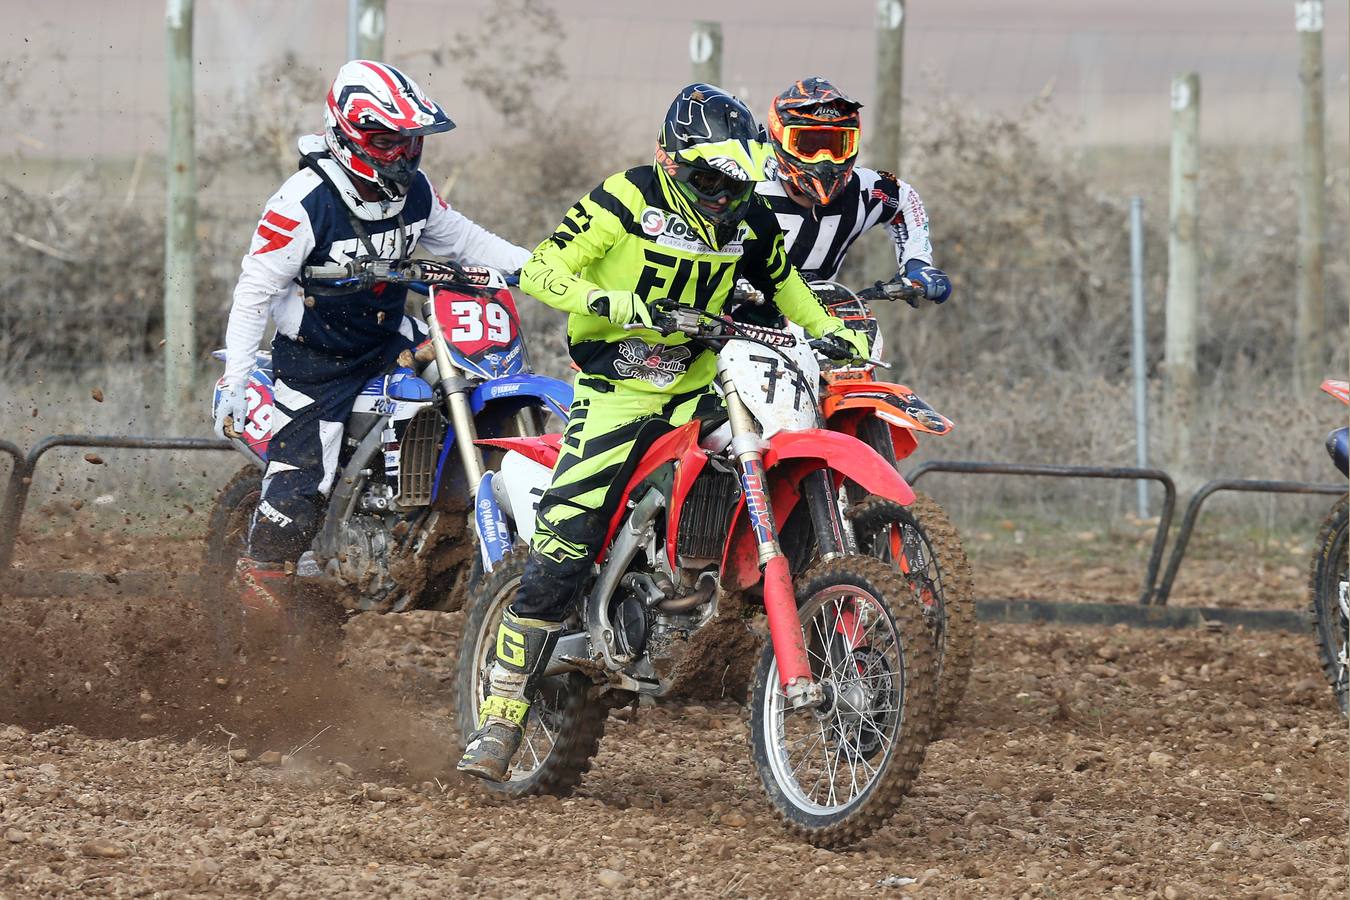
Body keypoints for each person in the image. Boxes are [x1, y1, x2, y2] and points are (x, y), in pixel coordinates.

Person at [458, 83, 872, 783]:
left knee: (773, 452)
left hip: (701, 385)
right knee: (569, 532)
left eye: (736, 183)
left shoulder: (748, 217)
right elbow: (540, 267)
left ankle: (713, 587)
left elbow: (786, 287)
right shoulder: (626, 198)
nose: (723, 197)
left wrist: (834, 333)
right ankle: (501, 713)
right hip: (618, 388)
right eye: (710, 182)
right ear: (671, 161)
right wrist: (605, 299)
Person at [212, 60, 530, 613]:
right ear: (347, 134)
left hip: (390, 339)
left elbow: (466, 241)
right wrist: (236, 379)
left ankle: (430, 513)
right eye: (387, 142)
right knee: (305, 478)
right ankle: (261, 575)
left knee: (471, 379)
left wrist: (545, 272)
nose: (401, 154)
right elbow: (254, 291)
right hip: (318, 360)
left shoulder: (414, 192)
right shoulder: (303, 201)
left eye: (409, 141)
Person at [755, 76, 951, 306]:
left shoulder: (861, 191)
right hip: (737, 317)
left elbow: (904, 199)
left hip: (818, 319)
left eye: (836, 145)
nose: (824, 158)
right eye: (809, 145)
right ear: (779, 139)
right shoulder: (750, 190)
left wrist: (917, 263)